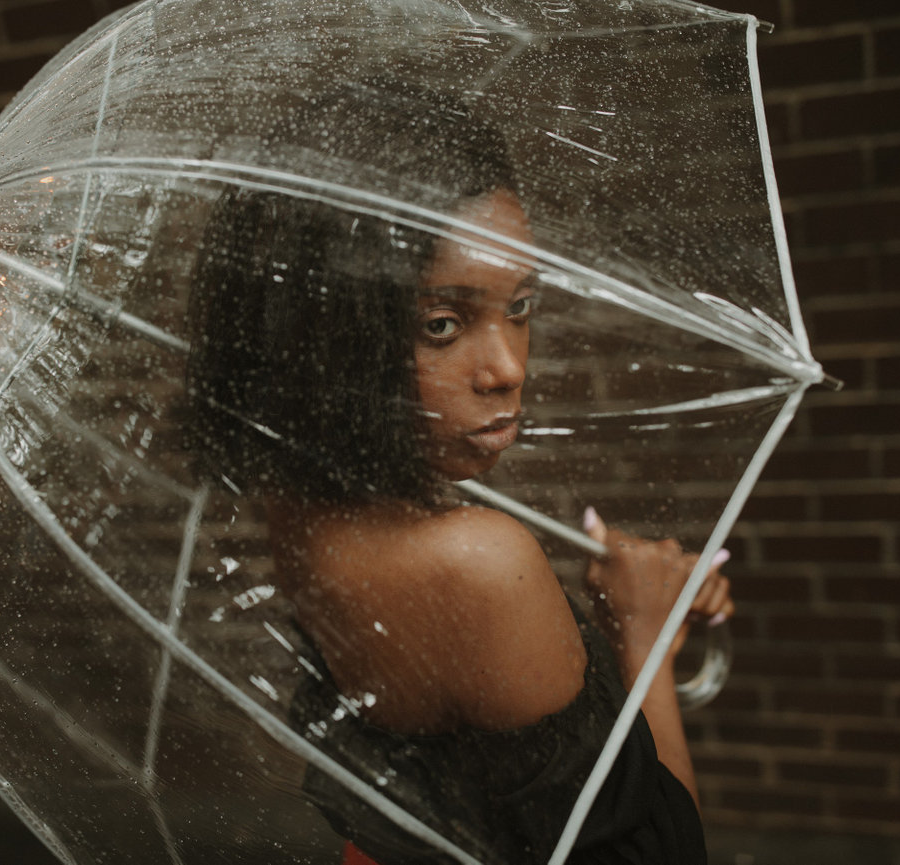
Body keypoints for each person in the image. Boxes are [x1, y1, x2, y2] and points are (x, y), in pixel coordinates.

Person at [183, 82, 733, 865]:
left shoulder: (301, 504)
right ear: (336, 332)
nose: (507, 367)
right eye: (441, 324)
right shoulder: (479, 563)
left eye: (521, 305)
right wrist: (644, 634)